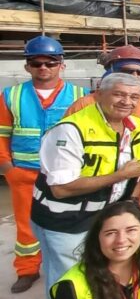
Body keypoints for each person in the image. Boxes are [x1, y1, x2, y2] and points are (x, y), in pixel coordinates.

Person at [31, 73, 140, 291]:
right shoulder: (71, 130)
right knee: (69, 280)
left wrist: (131, 205)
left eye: (134, 97)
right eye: (119, 94)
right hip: (66, 221)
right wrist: (119, 176)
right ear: (99, 94)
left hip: (106, 217)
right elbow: (61, 189)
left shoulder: (138, 127)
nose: (127, 102)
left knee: (99, 275)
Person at [0, 36, 89, 293]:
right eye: (36, 63)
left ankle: (75, 268)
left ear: (61, 65)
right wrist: (8, 169)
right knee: (26, 225)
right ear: (27, 66)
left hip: (67, 176)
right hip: (25, 174)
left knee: (71, 223)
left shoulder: (80, 95)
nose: (43, 68)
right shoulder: (11, 95)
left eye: (50, 63)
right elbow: (2, 135)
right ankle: (27, 270)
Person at [65, 45, 140, 197]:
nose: (134, 75)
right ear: (111, 71)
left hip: (137, 188)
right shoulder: (83, 105)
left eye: (139, 72)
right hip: (94, 189)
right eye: (127, 71)